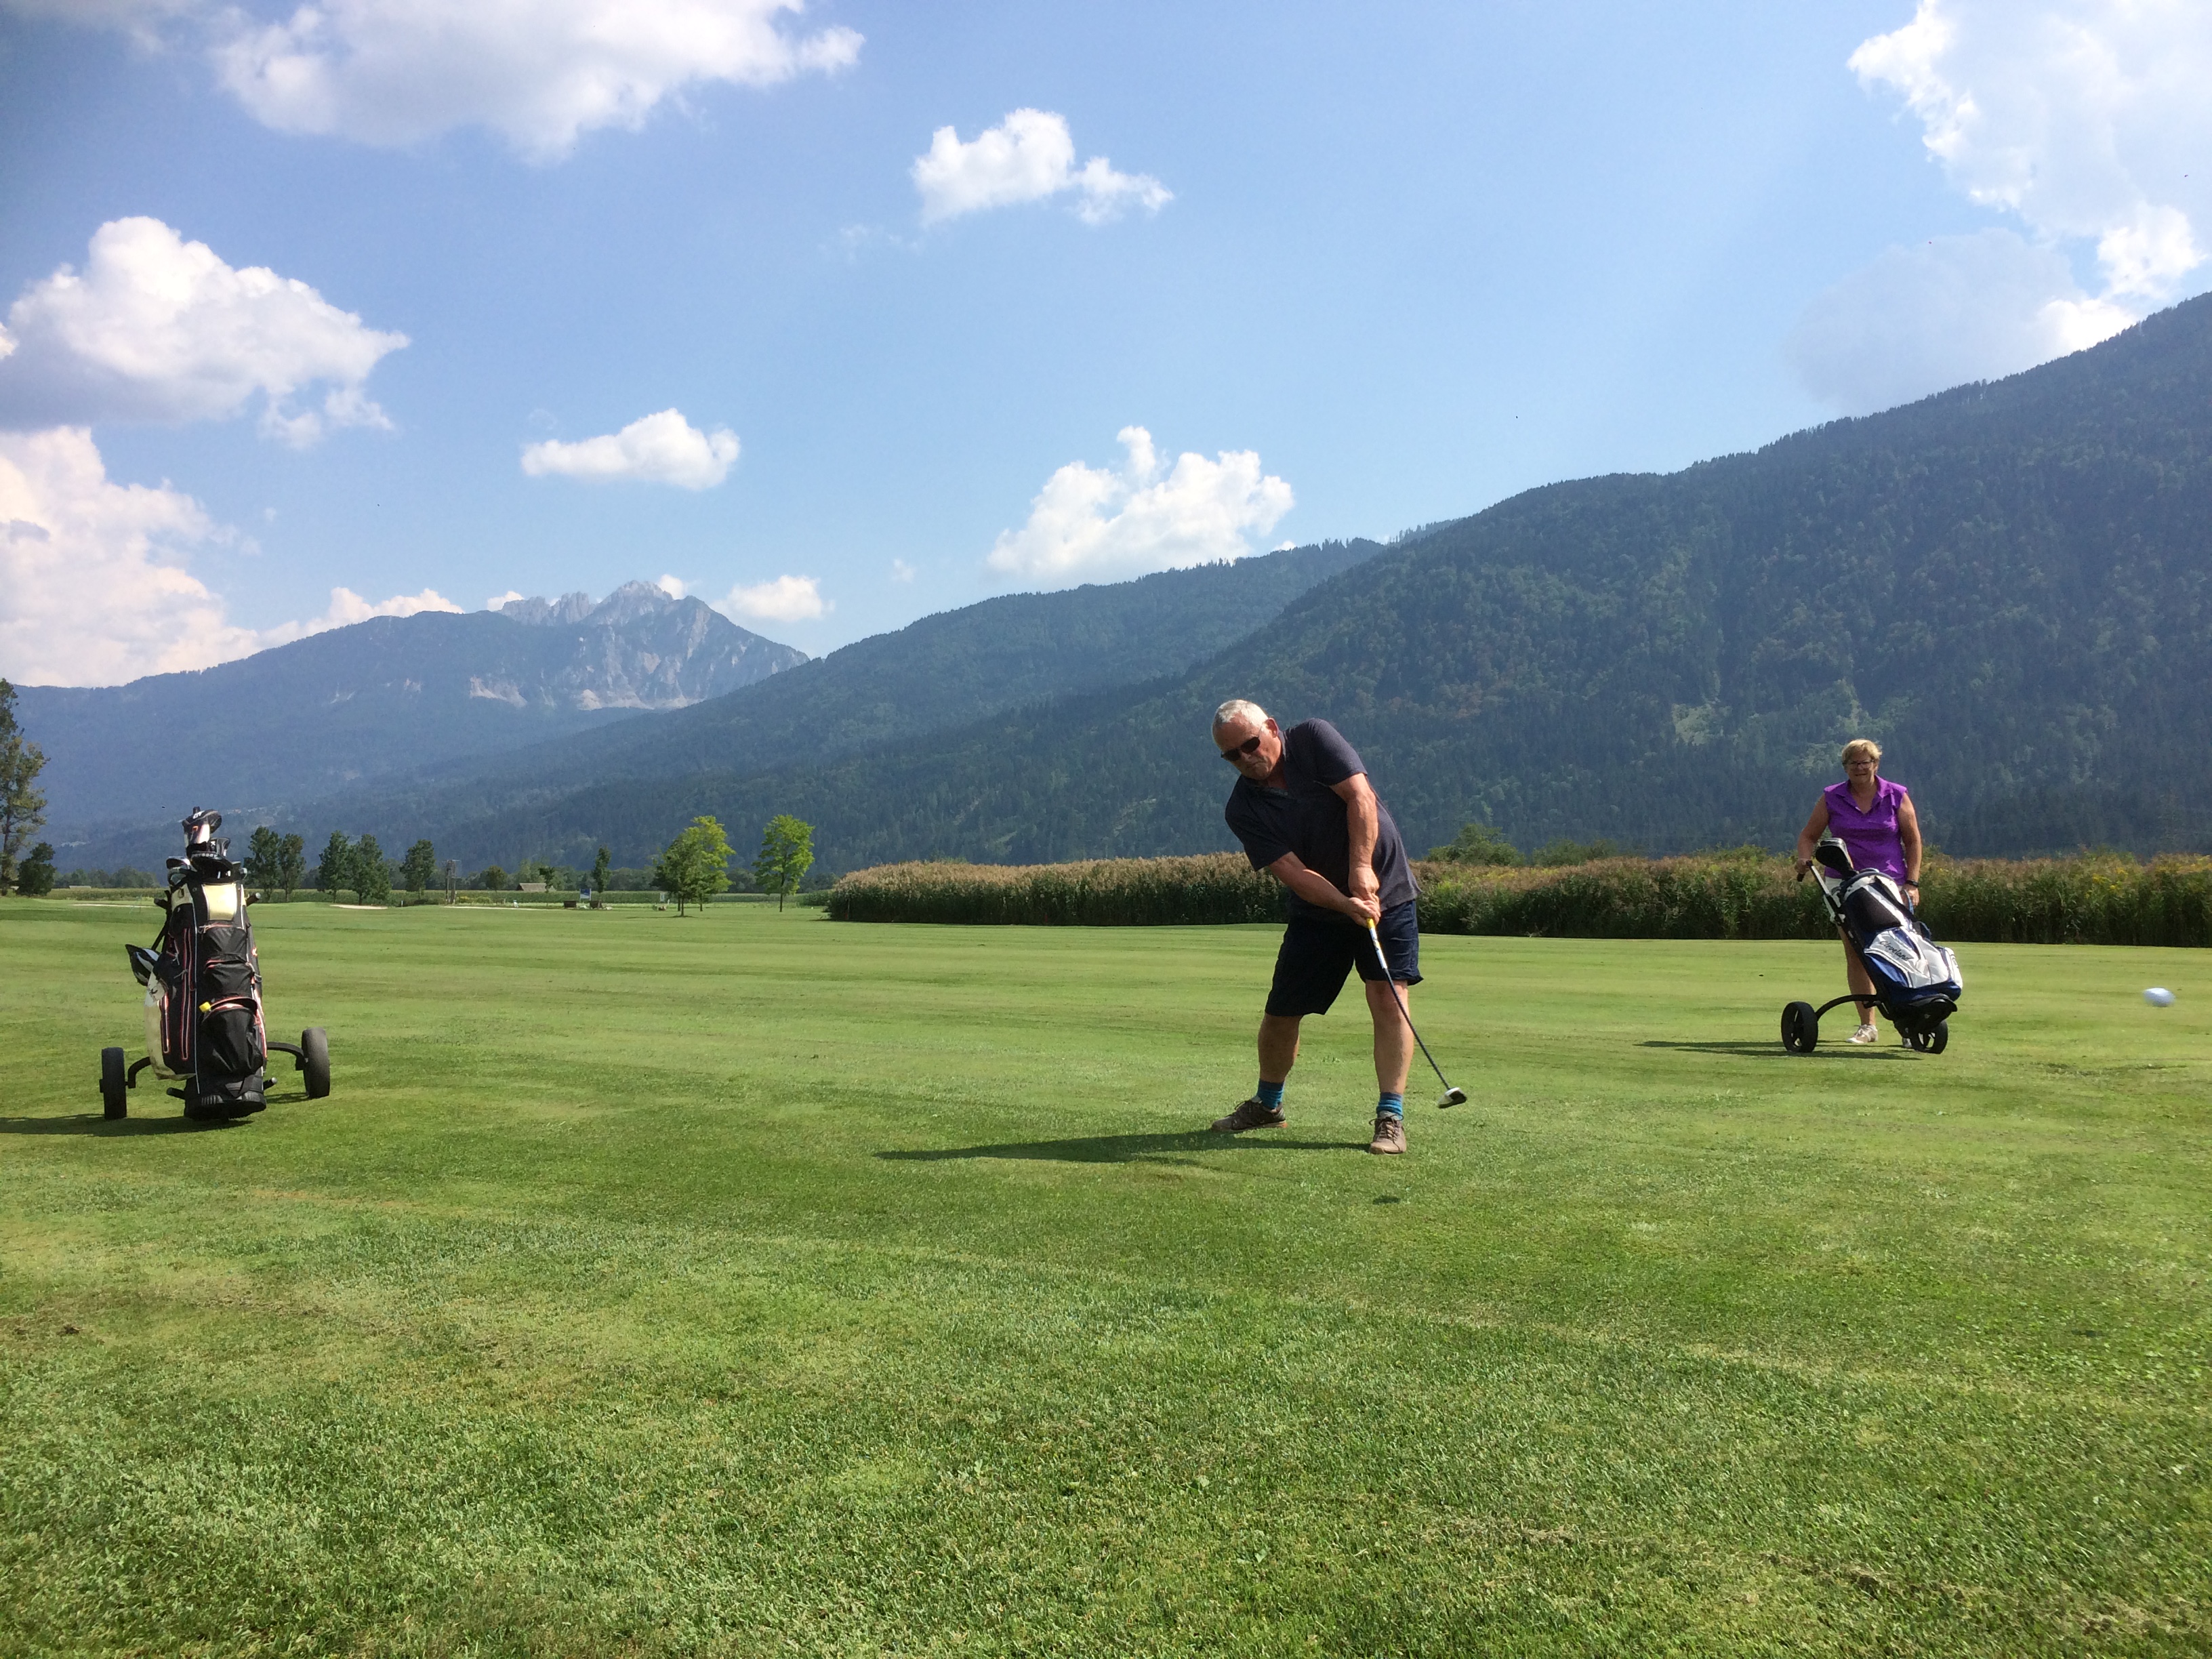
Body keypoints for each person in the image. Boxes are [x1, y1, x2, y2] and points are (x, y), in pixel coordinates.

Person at [1208, 699, 1423, 1155]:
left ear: (1270, 728)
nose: (1246, 758)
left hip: (1386, 889)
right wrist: (1345, 904)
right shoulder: (1242, 808)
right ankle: (1268, 1105)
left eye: (1250, 744)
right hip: (1320, 911)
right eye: (1232, 756)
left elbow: (1360, 796)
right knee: (1283, 1011)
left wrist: (1362, 870)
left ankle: (1391, 1116)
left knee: (1388, 995)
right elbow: (1294, 873)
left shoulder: (1312, 738)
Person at [1795, 738, 1923, 1046]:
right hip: (1845, 884)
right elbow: (1808, 836)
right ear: (1846, 767)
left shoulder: (1896, 796)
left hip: (1889, 883)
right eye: (1853, 763)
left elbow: (1913, 841)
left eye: (1865, 762)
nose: (1859, 768)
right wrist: (1803, 858)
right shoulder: (1832, 797)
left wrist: (1913, 883)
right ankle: (1868, 1025)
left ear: (1875, 765)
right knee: (1856, 950)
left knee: (1899, 949)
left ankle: (1909, 1022)